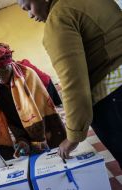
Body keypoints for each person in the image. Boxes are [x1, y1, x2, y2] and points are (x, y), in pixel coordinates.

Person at [17, 0, 122, 167]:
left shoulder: (58, 18)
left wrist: (73, 137)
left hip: (114, 99)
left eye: (29, 7)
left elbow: (74, 85)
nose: (30, 15)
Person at [0, 43, 66, 160]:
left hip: (41, 126)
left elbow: (41, 110)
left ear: (11, 64)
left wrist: (37, 139)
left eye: (4, 70)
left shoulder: (28, 75)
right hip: (16, 127)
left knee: (54, 156)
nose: (0, 76)